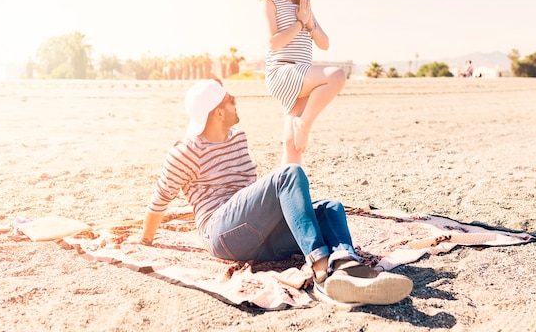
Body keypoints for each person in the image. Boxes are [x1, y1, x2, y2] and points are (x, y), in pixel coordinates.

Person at [141, 79, 413, 306]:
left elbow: (252, 196)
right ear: (218, 113)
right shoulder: (186, 151)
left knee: (330, 208)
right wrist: (145, 239)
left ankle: (345, 269)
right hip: (221, 235)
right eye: (230, 98)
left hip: (259, 238)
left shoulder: (238, 137)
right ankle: (320, 270)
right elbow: (160, 199)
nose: (236, 100)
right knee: (289, 173)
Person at [261, 0, 346, 165]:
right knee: (336, 75)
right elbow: (274, 43)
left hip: (302, 72)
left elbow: (324, 44)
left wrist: (309, 22)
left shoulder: (303, 2)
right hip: (283, 71)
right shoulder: (270, 1)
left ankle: (288, 194)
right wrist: (300, 23)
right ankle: (305, 124)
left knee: (293, 144)